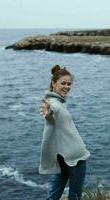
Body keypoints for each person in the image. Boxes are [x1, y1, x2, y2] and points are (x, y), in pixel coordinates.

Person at [39, 65, 91, 200]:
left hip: (61, 156)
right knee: (75, 194)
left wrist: (50, 113)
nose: (66, 86)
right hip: (75, 158)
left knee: (54, 193)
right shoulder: (54, 104)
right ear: (54, 83)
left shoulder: (57, 101)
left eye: (69, 84)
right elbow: (52, 112)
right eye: (63, 83)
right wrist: (48, 113)